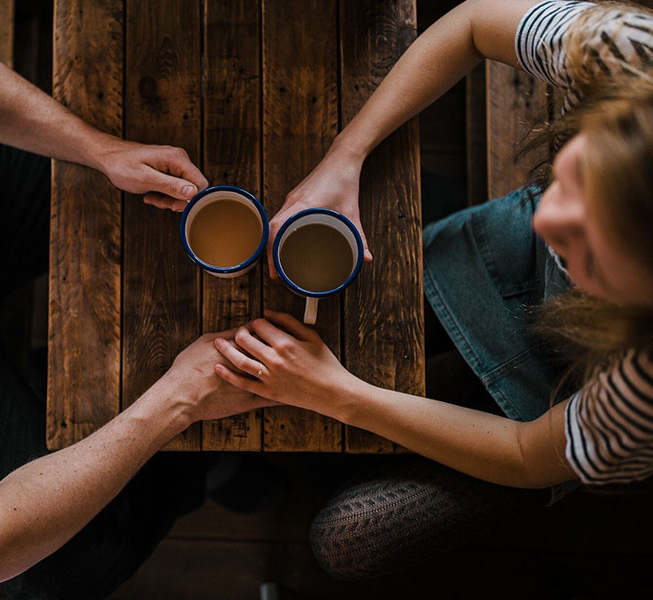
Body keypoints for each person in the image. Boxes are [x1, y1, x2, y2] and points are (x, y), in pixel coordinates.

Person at [213, 0, 653, 579]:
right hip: (502, 261)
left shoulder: (644, 391)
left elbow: (526, 454)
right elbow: (472, 23)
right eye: (572, 182)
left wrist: (340, 395)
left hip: (551, 397)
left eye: (588, 249)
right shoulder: (630, 54)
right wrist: (344, 158)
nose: (546, 221)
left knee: (345, 538)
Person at [0, 0, 269, 597]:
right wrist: (180, 400)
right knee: (74, 565)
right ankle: (197, 465)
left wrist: (99, 148)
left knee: (149, 186)